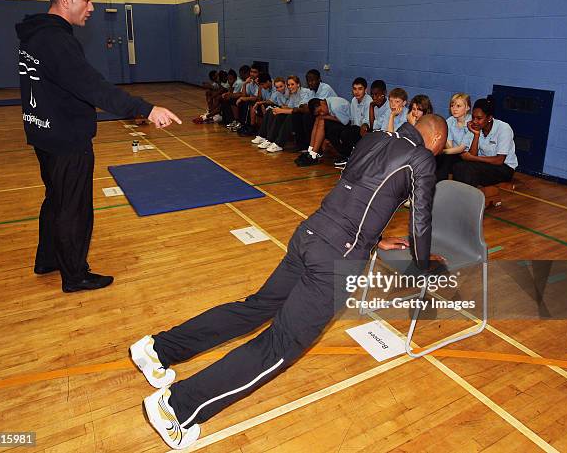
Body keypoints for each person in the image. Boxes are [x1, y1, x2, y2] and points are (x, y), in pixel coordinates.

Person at [131, 114, 448, 450]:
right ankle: (175, 408)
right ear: (437, 141)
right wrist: (423, 264)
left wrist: (376, 238)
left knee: (253, 309)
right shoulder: (422, 157)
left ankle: (156, 349)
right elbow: (421, 219)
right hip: (335, 260)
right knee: (279, 344)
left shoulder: (375, 137)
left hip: (311, 233)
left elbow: (360, 193)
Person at [16, 0, 181, 293]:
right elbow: (92, 86)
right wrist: (145, 108)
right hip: (65, 137)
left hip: (43, 132)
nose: (91, 7)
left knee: (56, 198)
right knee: (72, 206)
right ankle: (75, 274)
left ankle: (48, 258)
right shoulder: (56, 40)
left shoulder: (35, 35)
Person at [452, 96, 518, 187]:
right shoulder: (476, 127)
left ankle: (470, 197)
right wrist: (476, 135)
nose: (475, 121)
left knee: (468, 169)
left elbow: (499, 160)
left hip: (504, 168)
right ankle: (460, 193)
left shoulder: (504, 128)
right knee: (457, 165)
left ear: (489, 118)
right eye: (473, 117)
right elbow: (472, 154)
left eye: (479, 118)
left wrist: (473, 158)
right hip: (484, 163)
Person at [295, 96, 351, 166]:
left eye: (320, 111)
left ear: (322, 103)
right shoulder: (326, 103)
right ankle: (311, 151)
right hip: (341, 123)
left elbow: (346, 121)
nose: (321, 113)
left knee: (322, 120)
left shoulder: (335, 106)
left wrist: (325, 117)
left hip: (349, 126)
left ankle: (314, 155)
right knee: (318, 119)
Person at [334, 77, 373, 167]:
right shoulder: (353, 101)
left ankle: (349, 157)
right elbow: (352, 120)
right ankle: (346, 155)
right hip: (355, 128)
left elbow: (367, 123)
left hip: (366, 131)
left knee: (348, 132)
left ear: (365, 90)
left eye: (360, 89)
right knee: (337, 130)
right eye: (354, 89)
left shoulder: (369, 101)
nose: (357, 92)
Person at [436, 93, 473, 182]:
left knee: (442, 156)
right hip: (455, 153)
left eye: (458, 106)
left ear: (467, 107)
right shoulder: (450, 121)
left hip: (468, 156)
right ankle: (438, 184)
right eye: (452, 106)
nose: (454, 109)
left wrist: (441, 152)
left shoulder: (471, 122)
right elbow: (449, 146)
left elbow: (461, 148)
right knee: (441, 158)